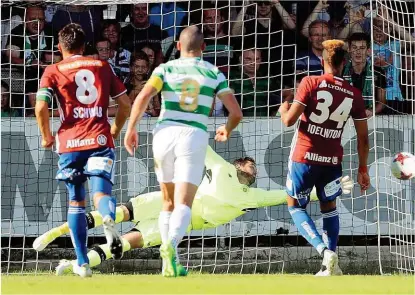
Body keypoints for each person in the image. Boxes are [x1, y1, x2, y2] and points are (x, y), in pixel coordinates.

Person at [33, 145, 355, 275]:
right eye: (249, 163)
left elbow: (289, 195)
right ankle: (60, 231)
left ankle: (73, 262)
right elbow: (202, 144)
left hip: (178, 224)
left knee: (122, 244)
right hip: (170, 199)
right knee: (117, 213)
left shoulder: (251, 195)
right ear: (237, 164)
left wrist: (331, 189)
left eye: (255, 167)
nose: (253, 168)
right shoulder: (222, 167)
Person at [123, 26, 243, 277]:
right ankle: (170, 246)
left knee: (167, 201)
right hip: (193, 135)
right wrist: (227, 129)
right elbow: (236, 113)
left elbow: (143, 96)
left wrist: (131, 128)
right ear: (204, 49)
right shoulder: (212, 71)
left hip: (164, 134)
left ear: (177, 46)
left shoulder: (165, 69)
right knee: (184, 203)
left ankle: (170, 261)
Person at [34, 23, 131, 278]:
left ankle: (82, 263)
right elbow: (125, 103)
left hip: (70, 144)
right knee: (101, 194)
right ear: (85, 46)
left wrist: (46, 136)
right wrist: (115, 131)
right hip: (99, 139)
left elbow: (40, 107)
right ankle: (108, 219)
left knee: (76, 201)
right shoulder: (102, 66)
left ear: (59, 46)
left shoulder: (52, 70)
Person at [278, 40, 370, 276]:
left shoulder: (310, 82)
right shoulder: (354, 93)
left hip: (304, 157)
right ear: (344, 63)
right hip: (331, 162)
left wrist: (283, 109)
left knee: (296, 206)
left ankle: (324, 252)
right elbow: (363, 138)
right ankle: (331, 265)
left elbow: (289, 121)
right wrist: (363, 169)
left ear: (322, 60)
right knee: (329, 206)